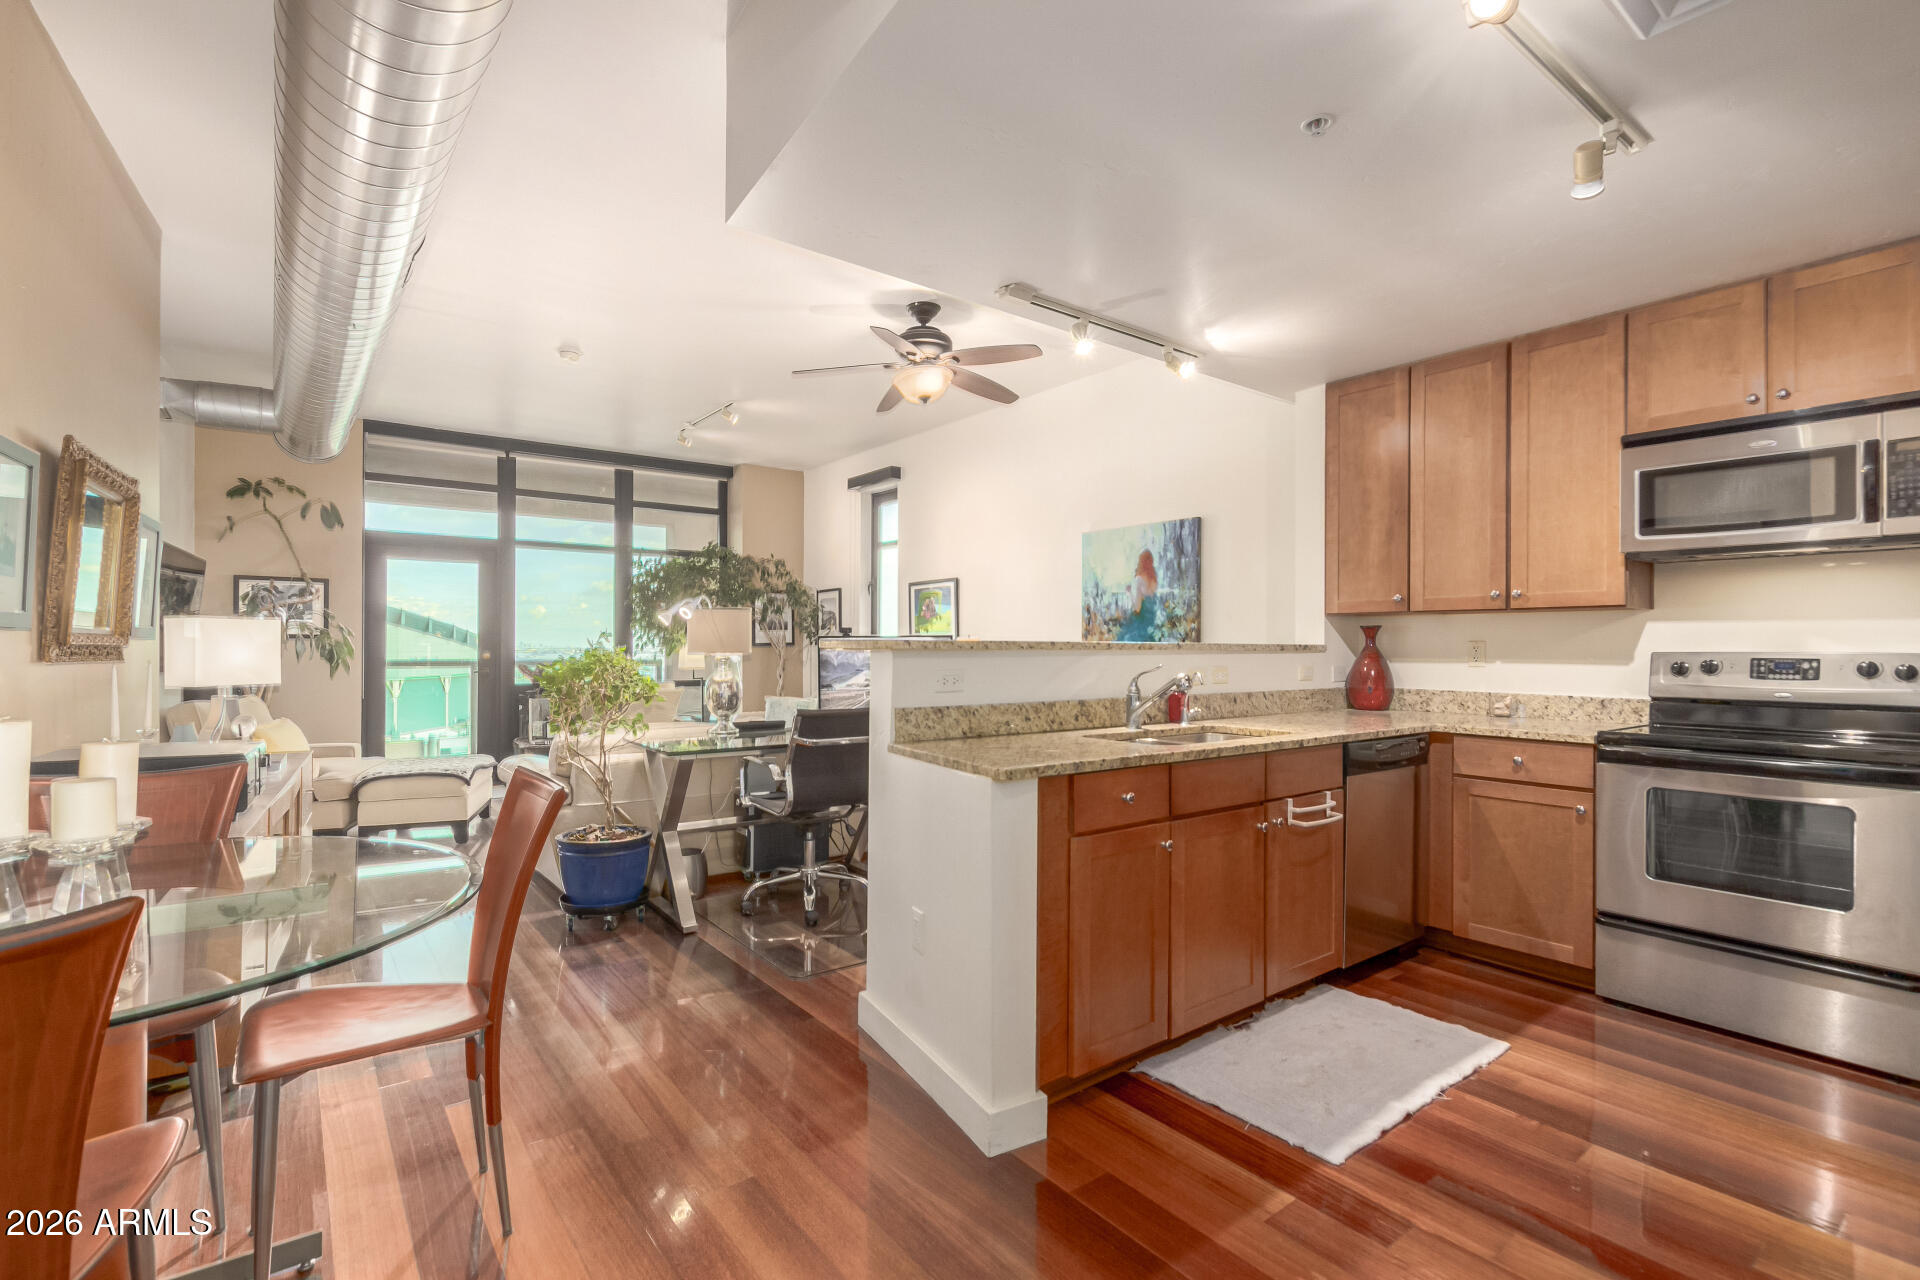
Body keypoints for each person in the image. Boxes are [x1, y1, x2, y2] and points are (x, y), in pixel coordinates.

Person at [1116, 549, 1161, 642]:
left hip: (1140, 623)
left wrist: (1129, 593)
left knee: (1123, 638)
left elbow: (1137, 608)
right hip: (1151, 621)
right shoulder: (1154, 580)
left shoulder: (1139, 579)